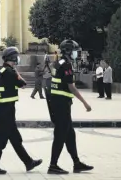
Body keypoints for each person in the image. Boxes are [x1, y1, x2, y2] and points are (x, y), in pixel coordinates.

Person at [0, 47, 42, 174]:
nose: (18, 58)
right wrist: (16, 71)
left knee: (15, 138)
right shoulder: (9, 72)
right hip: (7, 110)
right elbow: (23, 84)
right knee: (1, 139)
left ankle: (28, 162)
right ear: (12, 58)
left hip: (1, 108)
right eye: (16, 56)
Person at [46, 39, 93, 175]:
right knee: (60, 134)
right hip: (61, 104)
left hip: (57, 102)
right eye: (74, 51)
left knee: (69, 134)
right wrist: (85, 102)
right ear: (68, 51)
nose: (76, 53)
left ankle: (76, 163)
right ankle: (53, 165)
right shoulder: (66, 65)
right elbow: (71, 87)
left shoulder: (57, 62)